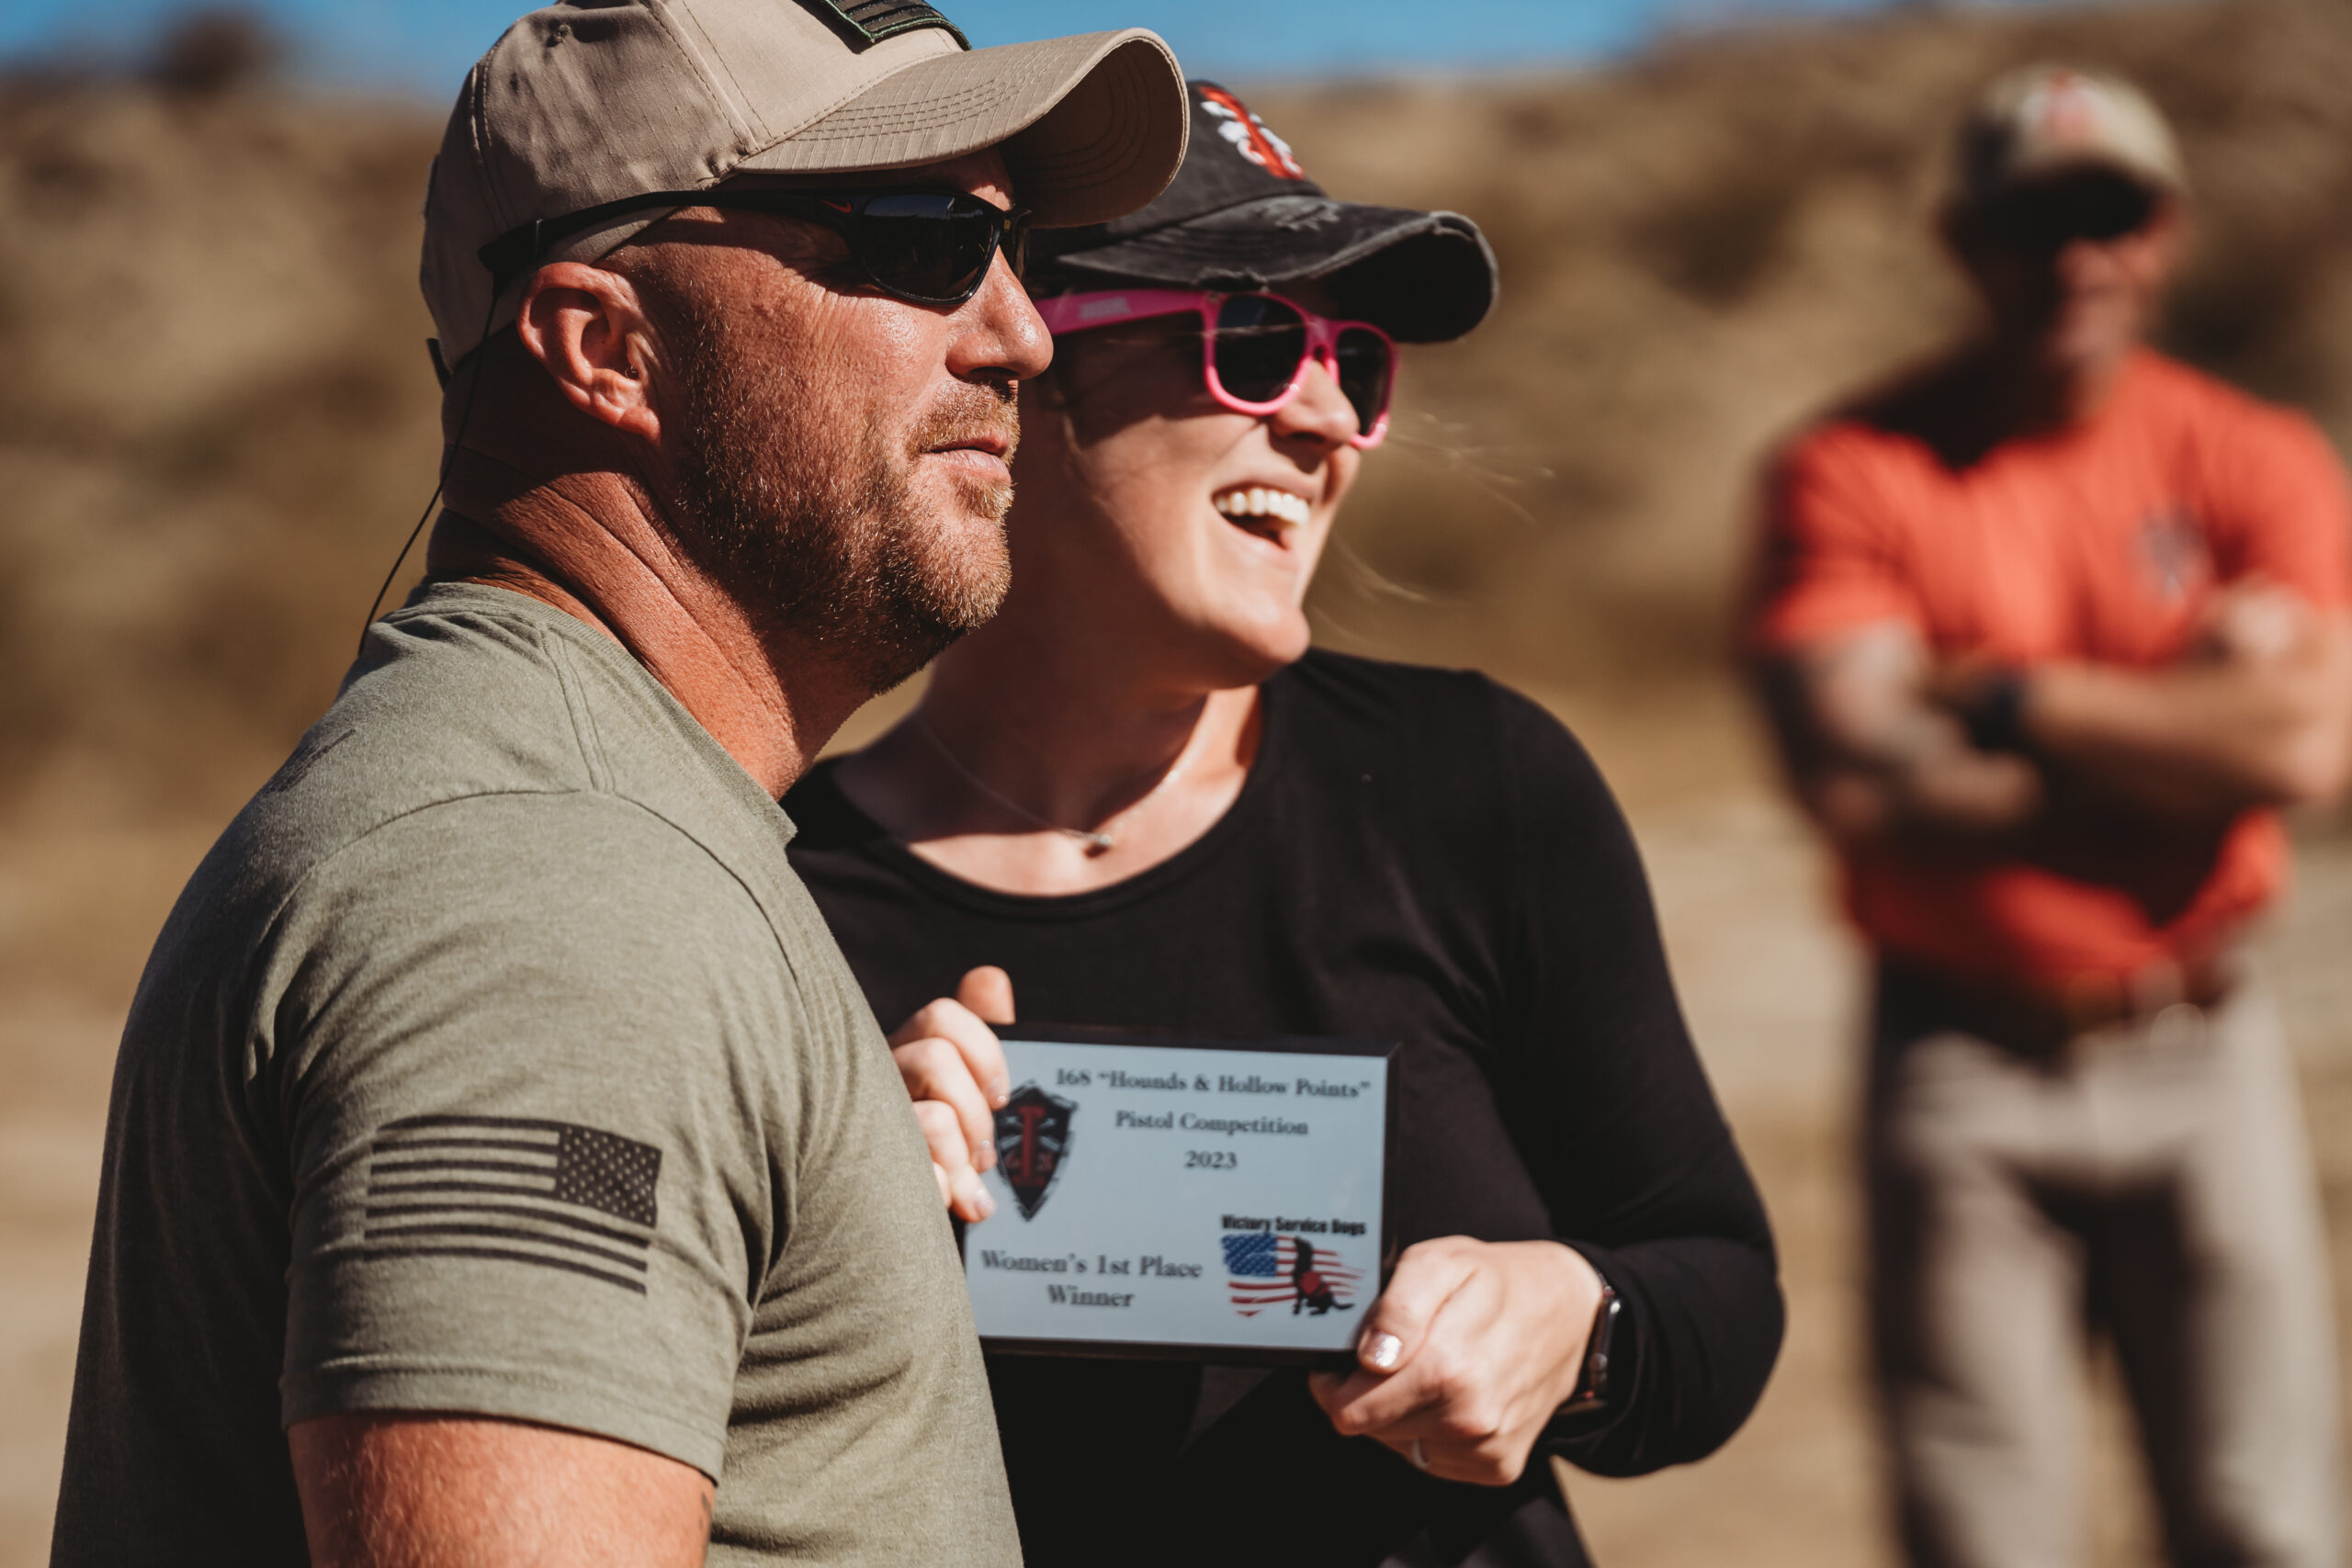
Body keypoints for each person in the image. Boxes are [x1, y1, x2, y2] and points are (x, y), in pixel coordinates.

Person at [49, 2, 1187, 1562]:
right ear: (607, 346)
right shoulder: (553, 903)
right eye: (929, 243)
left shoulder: (563, 836)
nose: (1022, 333)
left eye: (1020, 254)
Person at [786, 81, 1784, 1568]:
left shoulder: (1477, 788)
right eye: (1255, 347)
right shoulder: (775, 898)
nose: (1328, 422)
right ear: (1017, 386)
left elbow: (1717, 1288)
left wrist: (1576, 1321)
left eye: (1355, 364)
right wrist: (831, 1242)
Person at [1746, 65, 2352, 1568]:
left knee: (2267, 1520)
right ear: (1965, 240)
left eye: (2111, 214)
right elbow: (1860, 781)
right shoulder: (1853, 470)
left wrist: (2003, 697)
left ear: (2166, 235)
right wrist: (2179, 734)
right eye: (2034, 220)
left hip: (2204, 1042)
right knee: (1981, 1537)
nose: (2075, 257)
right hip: (1957, 1066)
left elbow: (2303, 743)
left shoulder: (2254, 457)